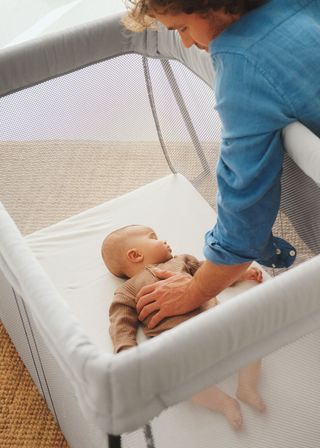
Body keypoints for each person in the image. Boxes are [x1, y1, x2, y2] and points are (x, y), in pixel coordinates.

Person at [121, 0, 320, 330]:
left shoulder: (242, 63)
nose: (184, 43)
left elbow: (244, 202)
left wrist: (197, 288)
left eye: (182, 28)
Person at [102, 224, 265, 429]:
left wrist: (240, 274)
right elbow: (120, 320)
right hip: (179, 343)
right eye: (154, 237)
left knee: (251, 341)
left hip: (216, 322)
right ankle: (223, 403)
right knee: (183, 385)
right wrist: (126, 351)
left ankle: (247, 386)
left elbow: (212, 273)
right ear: (135, 255)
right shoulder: (128, 290)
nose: (163, 241)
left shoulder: (181, 261)